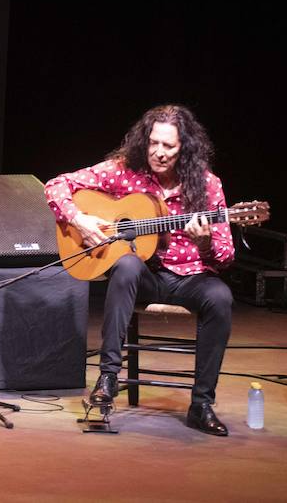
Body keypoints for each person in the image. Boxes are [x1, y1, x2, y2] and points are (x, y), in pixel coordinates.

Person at [44, 104, 236, 436]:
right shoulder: (123, 171)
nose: (159, 153)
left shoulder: (207, 186)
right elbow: (56, 185)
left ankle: (201, 404)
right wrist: (79, 219)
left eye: (169, 146)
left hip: (191, 278)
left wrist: (204, 243)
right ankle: (108, 379)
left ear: (184, 149)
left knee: (220, 297)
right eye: (154, 143)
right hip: (144, 277)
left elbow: (225, 257)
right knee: (128, 265)